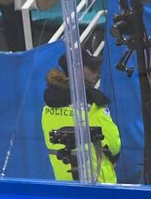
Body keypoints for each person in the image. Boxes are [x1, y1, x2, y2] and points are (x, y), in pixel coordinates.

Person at [42, 49, 120, 183]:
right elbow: (113, 145)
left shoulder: (47, 107)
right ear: (77, 70)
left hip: (63, 182)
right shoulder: (92, 105)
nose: (97, 73)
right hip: (97, 183)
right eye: (92, 68)